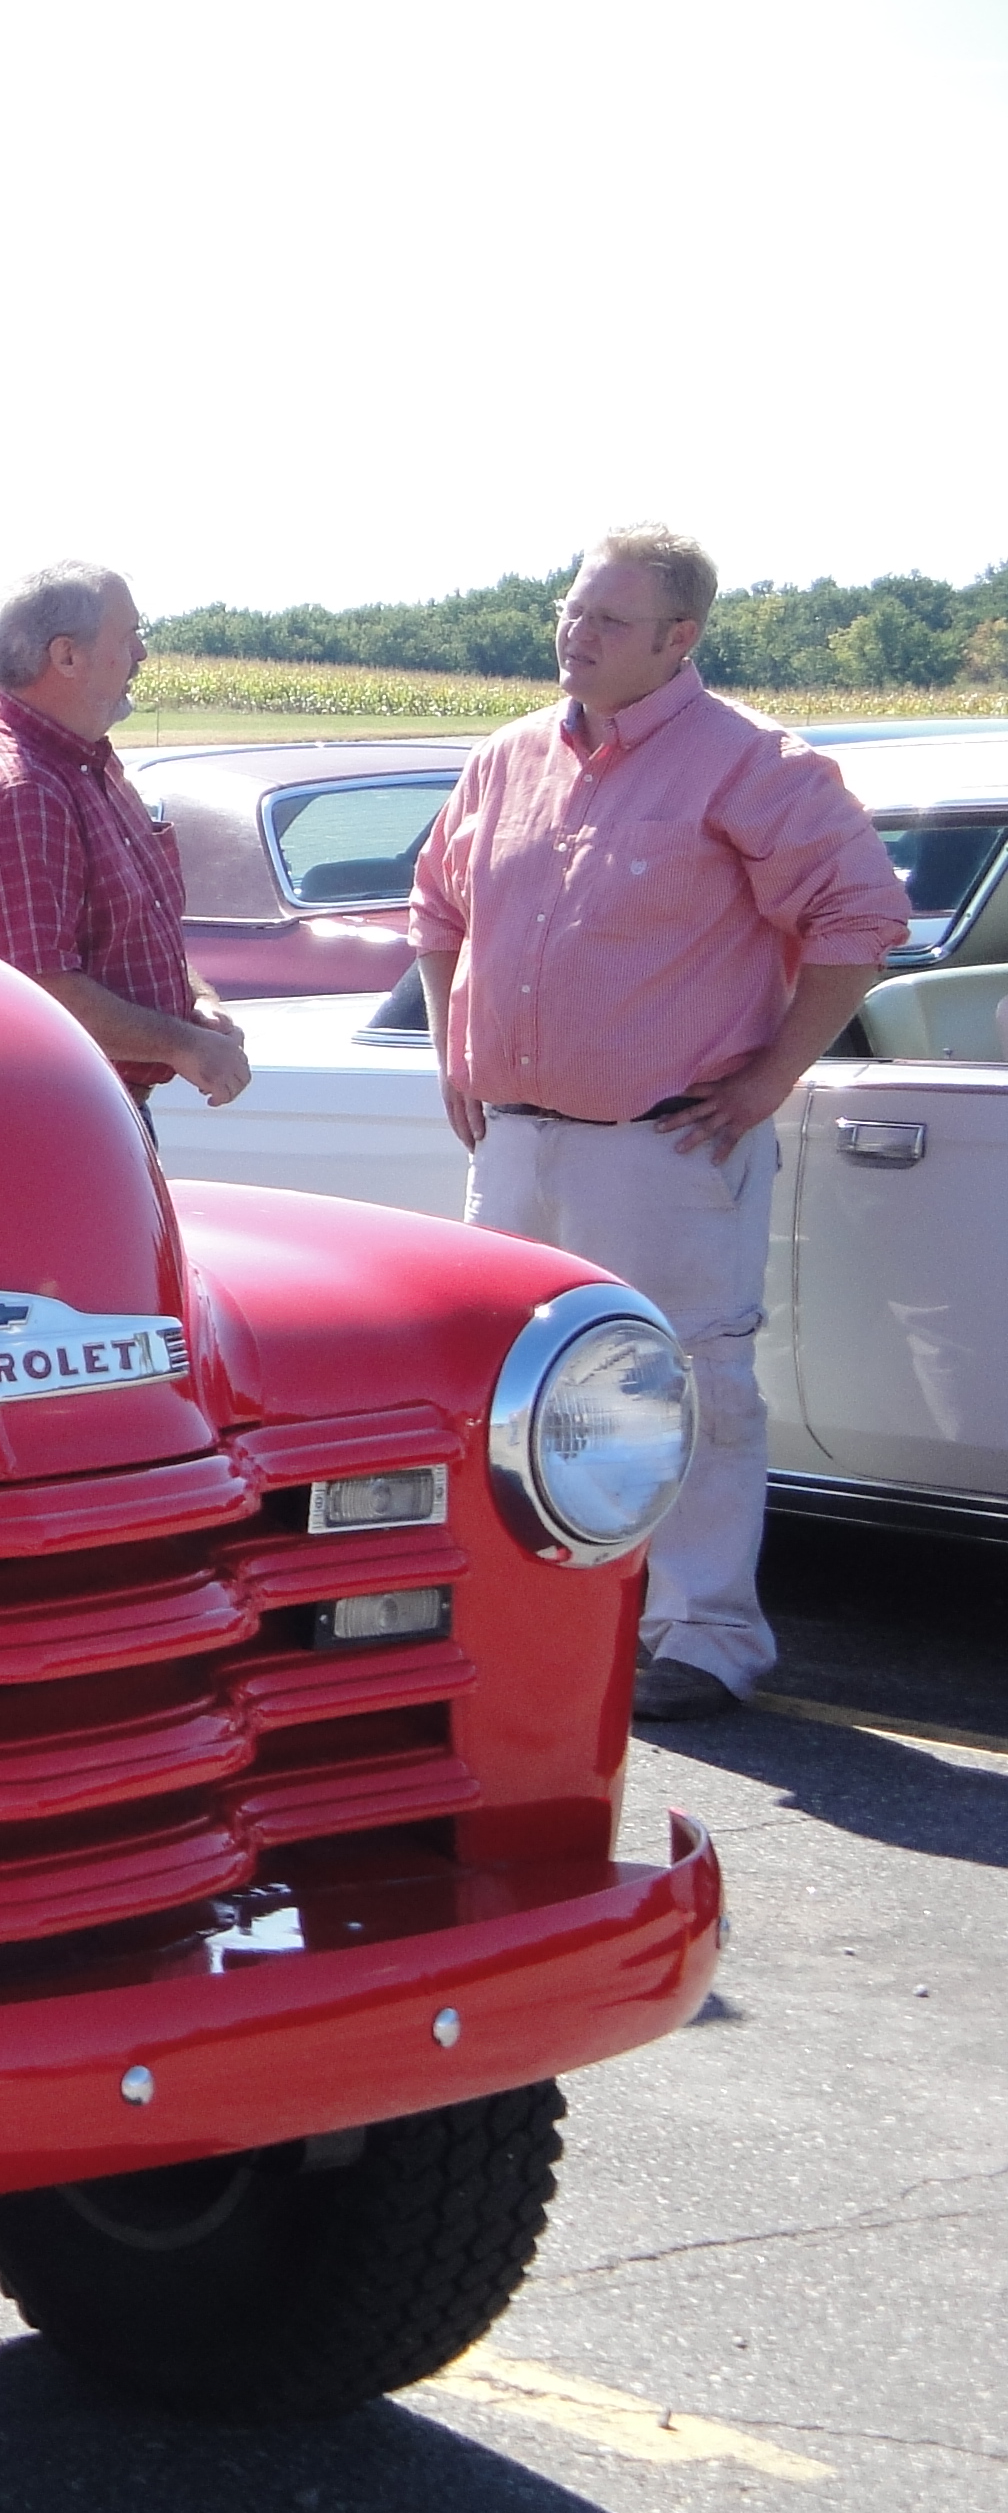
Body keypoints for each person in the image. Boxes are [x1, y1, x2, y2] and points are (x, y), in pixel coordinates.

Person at [409, 527, 906, 1722]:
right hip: (518, 1143)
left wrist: (769, 1080)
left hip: (666, 1144)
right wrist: (449, 1049)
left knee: (686, 1382)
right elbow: (436, 908)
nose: (576, 636)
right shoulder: (509, 757)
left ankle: (702, 1637)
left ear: (678, 639)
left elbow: (859, 920)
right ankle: (531, 1619)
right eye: (572, 612)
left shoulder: (750, 766)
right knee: (517, 1388)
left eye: (609, 623)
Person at [0, 562, 250, 1117]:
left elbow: (133, 926)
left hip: (78, 1104)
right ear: (67, 657)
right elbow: (38, 990)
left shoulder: (77, 760)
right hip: (41, 1120)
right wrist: (182, 1043)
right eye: (128, 636)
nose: (141, 654)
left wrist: (195, 1002)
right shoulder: (22, 791)